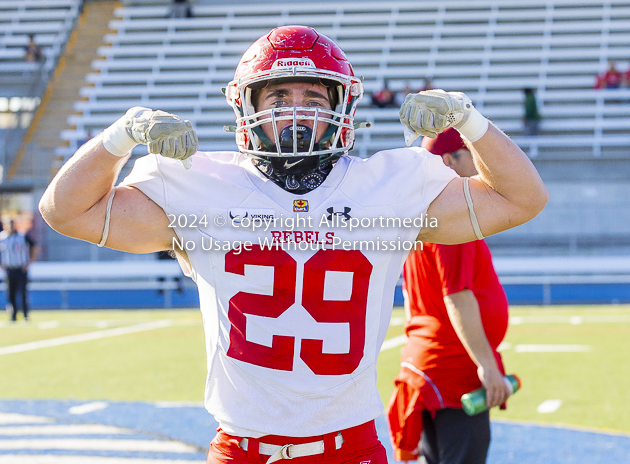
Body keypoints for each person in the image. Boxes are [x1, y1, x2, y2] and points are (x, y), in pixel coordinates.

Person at [38, 25, 547, 464]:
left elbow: (521, 199)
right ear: (247, 106)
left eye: (314, 99)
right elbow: (65, 211)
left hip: (350, 446)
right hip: (243, 448)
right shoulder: (201, 186)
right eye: (278, 98)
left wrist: (468, 120)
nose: (296, 113)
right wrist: (121, 137)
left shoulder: (388, 186)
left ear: (341, 108)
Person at [386, 127, 510, 464]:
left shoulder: (419, 210)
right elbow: (456, 295)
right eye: (472, 154)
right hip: (454, 372)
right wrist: (486, 365)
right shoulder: (454, 214)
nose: (480, 163)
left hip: (429, 363)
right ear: (448, 160)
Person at [0, 218, 38, 322]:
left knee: (23, 292)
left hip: (21, 268)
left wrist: (30, 261)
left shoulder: (22, 236)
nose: (10, 227)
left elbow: (34, 246)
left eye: (12, 225)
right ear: (5, 226)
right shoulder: (1, 237)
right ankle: (13, 315)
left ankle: (25, 315)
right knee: (11, 293)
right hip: (9, 269)